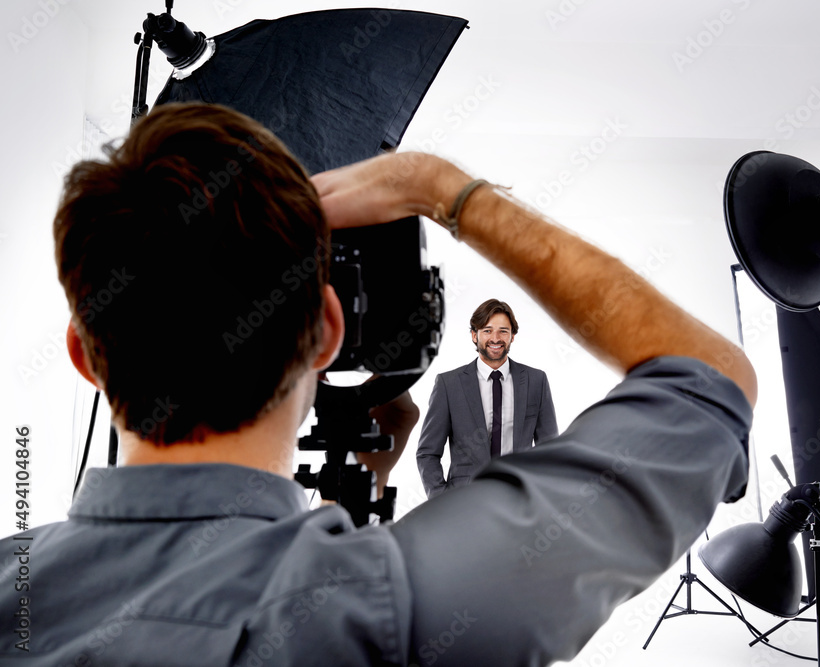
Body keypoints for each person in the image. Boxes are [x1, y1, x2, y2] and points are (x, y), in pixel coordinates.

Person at [0, 102, 756, 666]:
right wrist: (440, 188)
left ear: (85, 353)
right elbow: (711, 380)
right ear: (329, 329)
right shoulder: (399, 610)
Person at [415, 298, 557, 498]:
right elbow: (428, 453)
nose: (496, 338)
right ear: (474, 335)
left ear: (512, 336)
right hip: (465, 503)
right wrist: (443, 501)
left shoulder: (536, 380)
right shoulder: (449, 384)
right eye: (487, 330)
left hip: (520, 499)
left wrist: (542, 498)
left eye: (503, 331)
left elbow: (549, 452)